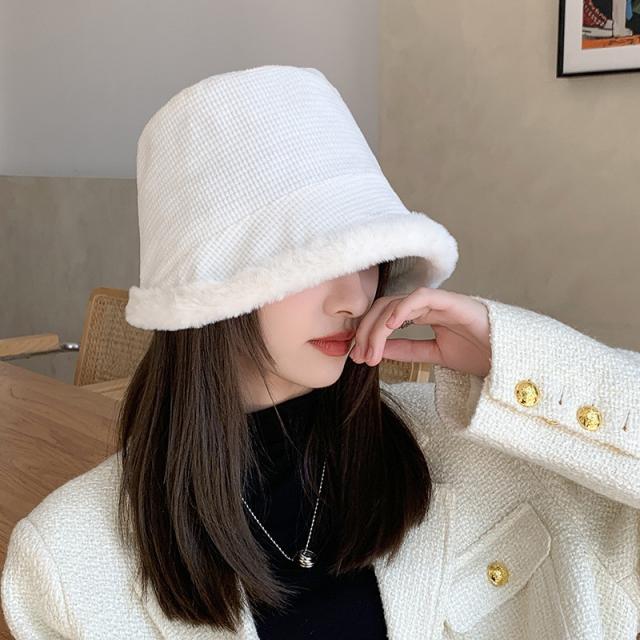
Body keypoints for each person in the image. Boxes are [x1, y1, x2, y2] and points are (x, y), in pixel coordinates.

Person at [1, 64, 639, 640]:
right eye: (312, 263)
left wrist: (513, 357)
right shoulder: (65, 562)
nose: (354, 297)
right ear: (208, 293)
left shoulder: (484, 451)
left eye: (367, 257)